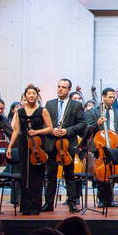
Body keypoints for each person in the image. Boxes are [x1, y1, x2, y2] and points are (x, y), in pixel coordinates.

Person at [8, 84, 54, 216]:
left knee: (37, 177)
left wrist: (36, 132)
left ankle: (35, 207)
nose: (31, 95)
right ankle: (25, 207)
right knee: (25, 176)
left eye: (34, 93)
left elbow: (50, 128)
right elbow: (16, 130)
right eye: (29, 93)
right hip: (23, 145)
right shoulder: (19, 112)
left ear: (37, 96)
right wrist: (10, 146)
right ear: (25, 96)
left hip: (38, 145)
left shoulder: (43, 111)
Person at [44, 78, 84, 213]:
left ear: (69, 90)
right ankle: (49, 203)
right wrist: (52, 130)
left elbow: (81, 124)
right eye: (59, 86)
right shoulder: (49, 104)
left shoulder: (76, 105)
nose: (60, 89)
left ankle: (72, 203)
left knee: (69, 175)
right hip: (51, 143)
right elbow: (44, 123)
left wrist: (67, 131)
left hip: (67, 145)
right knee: (51, 175)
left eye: (64, 87)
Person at [86, 87, 118, 208]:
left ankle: (110, 199)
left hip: (115, 145)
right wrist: (97, 124)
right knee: (101, 172)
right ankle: (101, 199)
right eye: (110, 97)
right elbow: (87, 128)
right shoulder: (94, 112)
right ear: (103, 97)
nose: (112, 99)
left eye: (114, 97)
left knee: (113, 171)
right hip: (101, 145)